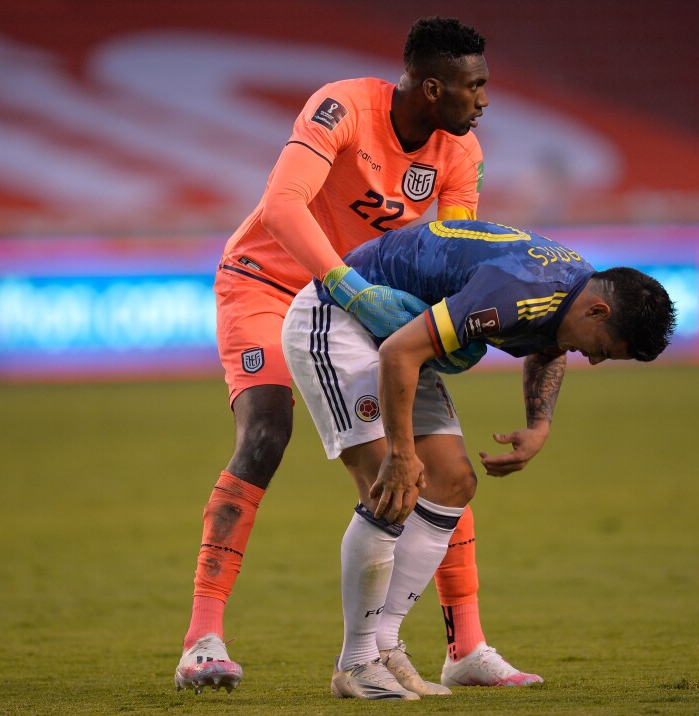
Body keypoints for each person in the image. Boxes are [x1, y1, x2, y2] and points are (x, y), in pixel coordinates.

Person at [174, 17, 542, 694]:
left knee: (436, 460)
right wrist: (348, 285)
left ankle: (465, 646)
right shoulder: (342, 105)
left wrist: (447, 327)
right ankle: (203, 639)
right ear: (432, 88)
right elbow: (282, 208)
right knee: (265, 433)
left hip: (367, 298)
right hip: (269, 281)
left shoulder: (460, 152)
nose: (485, 100)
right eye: (475, 86)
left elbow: (449, 253)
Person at [280, 219, 676, 699]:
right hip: (336, 318)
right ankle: (357, 662)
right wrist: (402, 454)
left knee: (453, 481)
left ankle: (383, 646)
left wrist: (539, 425)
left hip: (396, 336)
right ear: (598, 310)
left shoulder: (571, 292)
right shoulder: (517, 290)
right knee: (391, 488)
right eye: (602, 350)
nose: (592, 360)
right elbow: (400, 354)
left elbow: (549, 346)